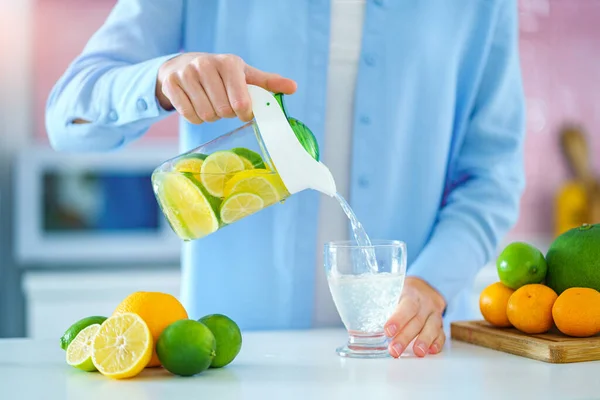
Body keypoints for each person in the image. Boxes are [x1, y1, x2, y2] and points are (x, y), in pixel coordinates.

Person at [46, 0, 525, 358]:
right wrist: (161, 79)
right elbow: (67, 118)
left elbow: (493, 177)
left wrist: (430, 283)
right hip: (239, 359)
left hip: (410, 360)